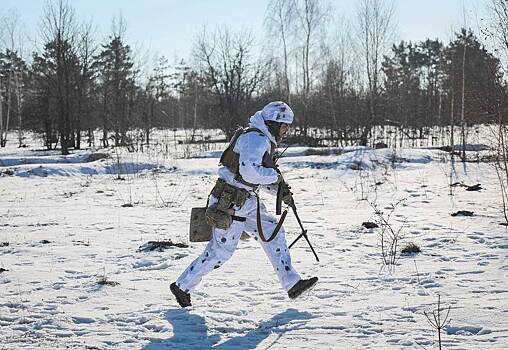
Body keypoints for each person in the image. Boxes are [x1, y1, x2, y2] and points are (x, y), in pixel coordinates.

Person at [170, 101, 318, 307]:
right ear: (274, 123)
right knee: (220, 253)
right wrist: (274, 177)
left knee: (273, 233)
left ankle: (292, 283)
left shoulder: (261, 139)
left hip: (247, 200)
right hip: (230, 202)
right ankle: (182, 286)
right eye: (284, 126)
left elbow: (253, 177)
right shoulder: (255, 139)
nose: (287, 131)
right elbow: (250, 172)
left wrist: (279, 191)